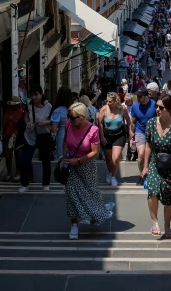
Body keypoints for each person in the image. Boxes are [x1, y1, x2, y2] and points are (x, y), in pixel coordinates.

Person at [141, 95, 171, 238]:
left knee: (169, 198)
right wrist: (145, 166)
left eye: (161, 107)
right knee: (153, 190)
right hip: (155, 164)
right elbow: (148, 146)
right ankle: (155, 222)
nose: (157, 109)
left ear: (169, 110)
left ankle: (167, 226)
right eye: (156, 106)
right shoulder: (151, 124)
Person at [64, 102, 113, 240]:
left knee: (91, 194)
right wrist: (64, 158)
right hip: (71, 166)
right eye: (69, 116)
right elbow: (64, 142)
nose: (70, 119)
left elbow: (95, 152)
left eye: (73, 117)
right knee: (71, 195)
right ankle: (74, 225)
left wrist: (79, 160)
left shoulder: (93, 130)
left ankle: (94, 214)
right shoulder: (68, 125)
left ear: (82, 117)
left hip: (86, 166)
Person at [18, 86, 53, 193]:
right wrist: (28, 122)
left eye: (36, 94)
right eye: (31, 95)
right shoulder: (29, 105)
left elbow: (53, 120)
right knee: (24, 159)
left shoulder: (49, 106)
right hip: (31, 135)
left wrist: (45, 122)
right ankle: (25, 183)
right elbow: (26, 117)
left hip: (44, 135)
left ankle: (46, 184)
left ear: (41, 94)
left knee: (45, 160)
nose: (33, 97)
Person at [99, 91, 132, 186]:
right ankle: (109, 173)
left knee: (115, 157)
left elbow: (129, 122)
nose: (108, 103)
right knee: (109, 159)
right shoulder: (104, 109)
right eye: (107, 101)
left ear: (116, 101)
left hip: (119, 135)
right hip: (107, 135)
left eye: (110, 102)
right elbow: (100, 123)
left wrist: (130, 131)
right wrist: (101, 136)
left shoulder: (122, 109)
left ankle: (113, 176)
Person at [129, 89, 158, 181]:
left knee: (150, 154)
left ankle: (151, 173)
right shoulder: (135, 106)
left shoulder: (154, 105)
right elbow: (133, 121)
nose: (137, 98)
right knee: (141, 153)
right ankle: (143, 175)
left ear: (145, 96)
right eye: (137, 96)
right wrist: (131, 134)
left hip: (153, 131)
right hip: (140, 131)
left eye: (139, 96)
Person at [2, 96, 24, 182]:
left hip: (17, 135)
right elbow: (4, 124)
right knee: (8, 156)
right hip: (8, 134)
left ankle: (17, 172)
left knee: (18, 155)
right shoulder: (8, 112)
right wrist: (8, 120)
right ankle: (8, 172)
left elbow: (22, 125)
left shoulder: (21, 112)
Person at [51, 86, 74, 160]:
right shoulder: (75, 109)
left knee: (62, 158)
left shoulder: (57, 111)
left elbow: (53, 129)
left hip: (62, 134)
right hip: (75, 134)